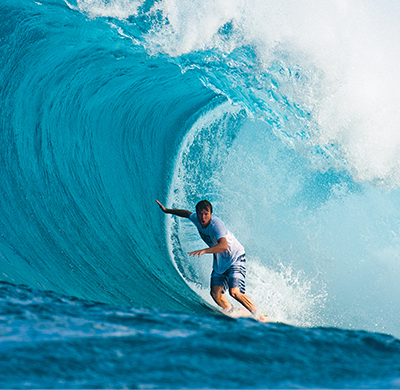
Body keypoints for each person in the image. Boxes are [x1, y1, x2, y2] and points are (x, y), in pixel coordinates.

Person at [156, 199, 267, 322]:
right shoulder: (196, 219)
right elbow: (186, 213)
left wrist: (204, 251)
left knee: (234, 292)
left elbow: (223, 246)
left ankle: (259, 316)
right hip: (220, 260)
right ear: (197, 214)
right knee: (215, 294)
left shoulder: (216, 225)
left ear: (211, 214)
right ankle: (231, 311)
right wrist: (167, 210)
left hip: (235, 256)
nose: (203, 217)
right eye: (200, 214)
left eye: (206, 214)